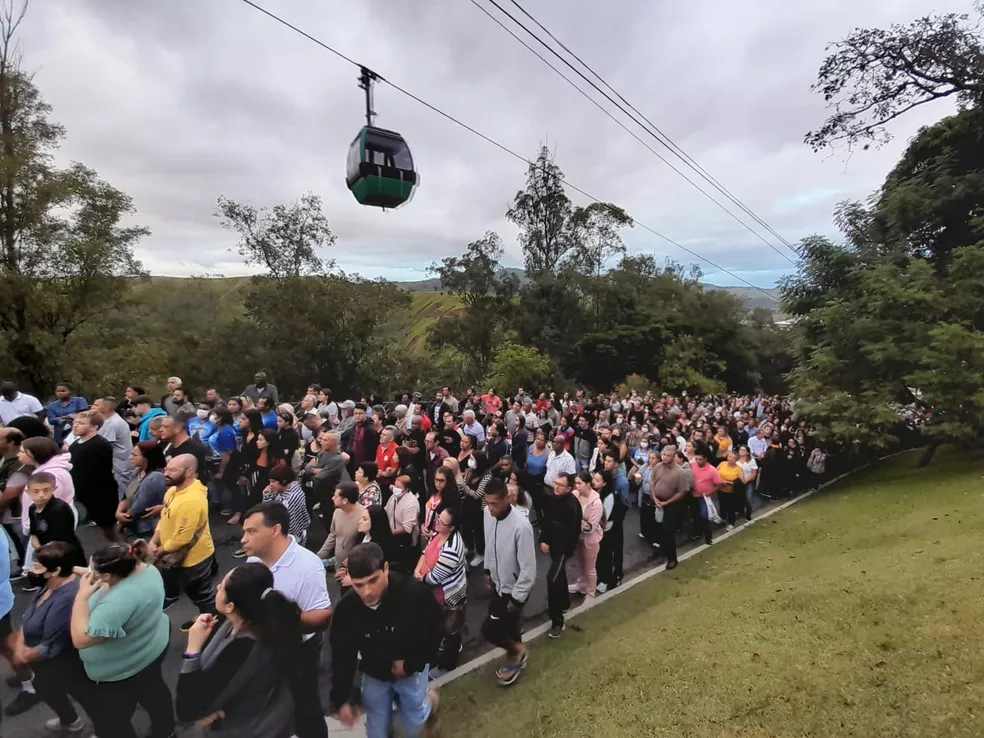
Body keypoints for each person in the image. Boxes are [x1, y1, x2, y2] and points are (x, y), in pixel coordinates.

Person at [330, 542, 442, 738]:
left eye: (373, 581)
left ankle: (430, 701)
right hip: (374, 671)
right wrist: (344, 699)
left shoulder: (415, 595)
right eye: (358, 585)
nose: (367, 592)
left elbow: (435, 631)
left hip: (410, 670)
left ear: (386, 569)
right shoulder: (346, 610)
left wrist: (411, 664)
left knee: (415, 724)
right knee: (376, 732)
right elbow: (342, 655)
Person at [176, 563, 301, 738]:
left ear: (230, 606)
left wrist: (193, 649)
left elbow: (187, 710)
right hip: (271, 715)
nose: (218, 586)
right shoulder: (266, 619)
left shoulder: (242, 649)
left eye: (222, 588)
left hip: (247, 728)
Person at [241, 502, 331, 738]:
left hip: (300, 650)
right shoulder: (253, 561)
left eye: (251, 532)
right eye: (244, 532)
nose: (243, 539)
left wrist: (282, 620)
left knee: (306, 708)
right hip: (263, 647)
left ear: (275, 530)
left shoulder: (307, 566)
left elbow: (322, 617)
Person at [71, 541, 175, 738]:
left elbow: (81, 639)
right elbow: (102, 573)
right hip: (151, 646)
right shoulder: (146, 568)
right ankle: (166, 731)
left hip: (124, 669)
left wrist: (81, 598)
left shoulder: (117, 602)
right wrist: (73, 569)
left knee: (112, 722)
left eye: (95, 571)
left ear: (109, 576)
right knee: (155, 692)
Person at [8, 542, 85, 732]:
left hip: (62, 664)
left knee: (87, 698)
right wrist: (19, 648)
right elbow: (27, 618)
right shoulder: (49, 586)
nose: (31, 572)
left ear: (56, 570)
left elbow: (51, 647)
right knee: (47, 690)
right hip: (41, 664)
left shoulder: (66, 599)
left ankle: (105, 730)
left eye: (37, 567)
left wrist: (21, 657)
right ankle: (70, 721)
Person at [481, 477, 536, 686]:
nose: (491, 508)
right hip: (497, 583)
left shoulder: (521, 527)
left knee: (490, 630)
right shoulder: (488, 514)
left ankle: (517, 653)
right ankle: (516, 655)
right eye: (488, 503)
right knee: (509, 629)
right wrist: (488, 569)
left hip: (513, 590)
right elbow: (489, 543)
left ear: (507, 499)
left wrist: (517, 598)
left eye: (494, 503)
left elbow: (529, 569)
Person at [149, 454, 216, 617]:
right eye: (166, 468)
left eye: (172, 470)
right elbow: (164, 517)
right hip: (171, 553)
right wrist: (153, 541)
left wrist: (156, 553)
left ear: (189, 472)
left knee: (201, 594)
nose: (166, 473)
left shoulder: (192, 500)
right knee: (173, 581)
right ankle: (173, 595)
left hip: (194, 560)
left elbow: (182, 539)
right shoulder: (172, 490)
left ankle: (211, 619)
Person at [415, 506, 467, 673]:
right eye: (438, 518)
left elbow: (435, 578)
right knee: (437, 626)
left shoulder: (451, 549)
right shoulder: (439, 534)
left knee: (451, 629)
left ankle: (448, 662)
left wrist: (420, 578)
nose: (436, 523)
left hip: (448, 596)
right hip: (434, 594)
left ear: (451, 527)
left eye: (441, 522)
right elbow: (425, 552)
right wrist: (418, 569)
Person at [539, 472, 582, 638]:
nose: (556, 487)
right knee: (559, 574)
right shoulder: (551, 498)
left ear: (569, 488)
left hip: (562, 549)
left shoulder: (573, 505)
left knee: (553, 578)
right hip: (552, 545)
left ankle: (557, 619)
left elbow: (572, 533)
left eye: (560, 485)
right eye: (555, 483)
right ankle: (564, 602)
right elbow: (546, 521)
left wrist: (563, 550)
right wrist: (544, 539)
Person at [68, 411, 120, 541]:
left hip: (100, 495)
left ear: (94, 427)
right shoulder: (75, 444)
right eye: (74, 422)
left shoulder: (99, 445)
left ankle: (126, 553)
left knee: (110, 530)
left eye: (81, 423)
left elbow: (95, 473)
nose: (75, 425)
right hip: (82, 493)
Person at [17, 437, 75, 545]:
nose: (18, 455)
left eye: (22, 452)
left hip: (49, 531)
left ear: (35, 454)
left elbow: (48, 505)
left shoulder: (51, 475)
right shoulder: (47, 471)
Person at [648, 445, 690, 569]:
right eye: (664, 455)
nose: (665, 458)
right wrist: (654, 497)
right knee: (656, 527)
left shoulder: (679, 472)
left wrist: (668, 502)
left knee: (667, 530)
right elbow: (652, 482)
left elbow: (682, 491)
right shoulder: (657, 467)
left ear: (673, 457)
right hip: (657, 501)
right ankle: (661, 549)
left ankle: (672, 558)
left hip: (670, 504)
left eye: (668, 456)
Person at [116, 440, 167, 539]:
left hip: (147, 530)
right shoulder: (136, 472)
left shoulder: (155, 477)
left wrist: (123, 519)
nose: (130, 458)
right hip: (133, 526)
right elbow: (126, 496)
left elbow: (140, 506)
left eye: (134, 455)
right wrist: (118, 512)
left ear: (147, 457)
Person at [317, 481, 365, 580]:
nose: (332, 498)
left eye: (336, 496)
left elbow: (365, 545)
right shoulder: (337, 512)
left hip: (355, 569)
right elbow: (333, 535)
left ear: (345, 501)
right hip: (338, 566)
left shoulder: (364, 516)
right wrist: (319, 556)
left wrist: (350, 560)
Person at [92, 396, 135, 499]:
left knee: (122, 489)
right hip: (120, 461)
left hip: (120, 463)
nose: (93, 407)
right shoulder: (110, 420)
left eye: (96, 405)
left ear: (106, 408)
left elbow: (106, 446)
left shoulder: (112, 423)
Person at [572, 471, 604, 598]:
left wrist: (575, 522)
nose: (577, 486)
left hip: (590, 540)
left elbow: (590, 527)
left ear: (588, 484)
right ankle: (582, 585)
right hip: (577, 538)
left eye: (580, 483)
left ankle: (591, 593)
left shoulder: (596, 503)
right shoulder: (574, 495)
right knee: (580, 563)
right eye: (576, 483)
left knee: (590, 567)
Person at [262, 465, 311, 544]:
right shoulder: (289, 488)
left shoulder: (290, 499)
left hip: (291, 537)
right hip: (295, 532)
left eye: (273, 482)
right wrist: (268, 495)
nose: (270, 485)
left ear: (284, 481)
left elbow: (269, 513)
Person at [384, 474, 420, 573]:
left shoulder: (411, 503)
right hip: (393, 535)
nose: (395, 489)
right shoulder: (394, 497)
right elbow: (386, 510)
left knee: (405, 565)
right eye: (395, 486)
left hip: (405, 539)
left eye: (398, 487)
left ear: (407, 489)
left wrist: (389, 533)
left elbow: (406, 528)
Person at [690, 444, 723, 545]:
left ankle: (708, 537)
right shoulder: (692, 465)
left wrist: (710, 493)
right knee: (695, 516)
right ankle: (697, 533)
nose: (698, 461)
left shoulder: (712, 470)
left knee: (705, 516)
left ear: (705, 459)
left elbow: (719, 484)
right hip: (693, 495)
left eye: (700, 459)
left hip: (704, 498)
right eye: (696, 459)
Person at [46, 382, 88, 447]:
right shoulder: (52, 405)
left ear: (70, 391)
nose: (60, 393)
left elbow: (82, 414)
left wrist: (63, 417)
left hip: (78, 431)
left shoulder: (80, 400)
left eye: (63, 391)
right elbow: (51, 420)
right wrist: (71, 416)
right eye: (58, 391)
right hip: (60, 434)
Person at [717, 449, 746, 529]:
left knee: (731, 508)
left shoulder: (738, 469)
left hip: (731, 492)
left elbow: (742, 482)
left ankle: (731, 523)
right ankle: (722, 518)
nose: (730, 459)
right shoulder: (722, 464)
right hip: (721, 489)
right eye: (729, 456)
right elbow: (715, 472)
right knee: (722, 505)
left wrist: (730, 483)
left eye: (733, 458)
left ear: (736, 460)